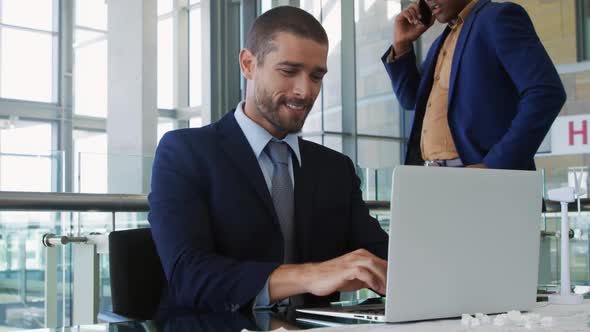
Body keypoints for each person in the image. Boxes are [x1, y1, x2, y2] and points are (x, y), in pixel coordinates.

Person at [148, 6, 388, 314]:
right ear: (248, 64)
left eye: (316, 76)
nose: (305, 90)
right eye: (289, 72)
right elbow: (188, 276)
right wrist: (310, 275)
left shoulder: (335, 168)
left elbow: (380, 255)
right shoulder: (185, 152)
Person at [382, 0, 566, 170]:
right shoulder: (441, 42)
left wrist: (494, 165)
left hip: (483, 179)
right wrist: (402, 44)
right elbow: (410, 99)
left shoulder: (498, 17)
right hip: (434, 176)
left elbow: (545, 93)